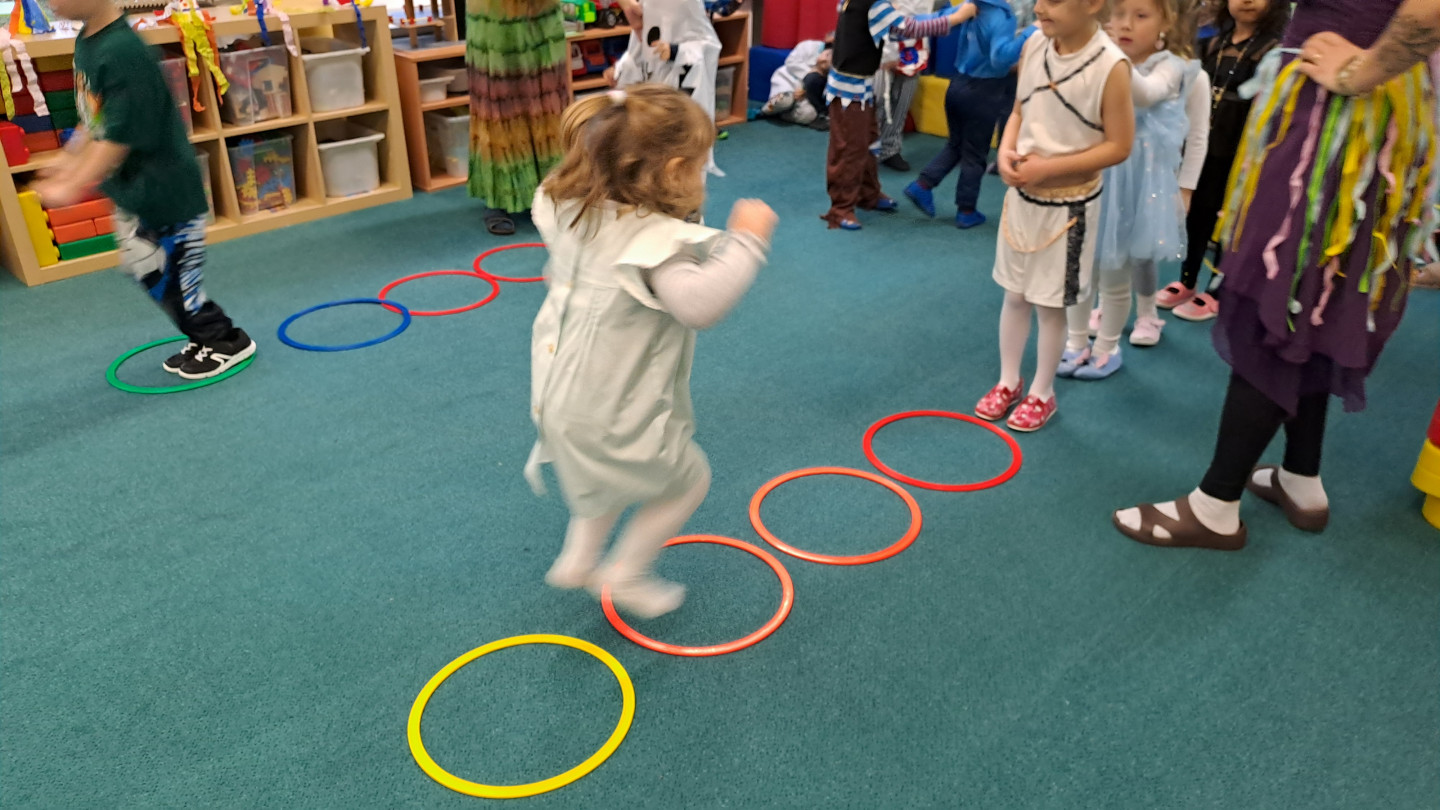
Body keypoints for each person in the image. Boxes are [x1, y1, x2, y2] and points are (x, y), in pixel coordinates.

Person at [1113, 0, 1440, 549]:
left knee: (1280, 297)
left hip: (1343, 118)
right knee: (1313, 301)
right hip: (1347, 110)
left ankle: (1215, 505)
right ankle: (1300, 476)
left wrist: (1361, 71)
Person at [526, 85, 777, 618]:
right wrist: (748, 241)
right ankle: (627, 572)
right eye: (701, 167)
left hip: (559, 395)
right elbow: (699, 304)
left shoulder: (569, 208)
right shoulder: (655, 245)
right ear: (675, 172)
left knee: (606, 475)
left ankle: (580, 557)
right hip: (614, 408)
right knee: (687, 481)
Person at [35, 0, 254, 380]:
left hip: (165, 192)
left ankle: (225, 340)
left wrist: (72, 184)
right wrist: (68, 158)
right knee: (150, 274)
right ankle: (202, 335)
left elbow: (118, 138)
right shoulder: (89, 42)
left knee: (174, 281)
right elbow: (95, 117)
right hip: (134, 189)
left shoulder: (123, 52)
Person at [974, 0, 1133, 432]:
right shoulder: (1034, 45)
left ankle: (1042, 392)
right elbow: (1020, 111)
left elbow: (1119, 145)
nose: (1040, 7)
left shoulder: (1111, 65)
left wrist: (1049, 168)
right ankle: (1008, 380)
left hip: (1070, 205)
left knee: (1049, 304)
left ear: (1093, 4)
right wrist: (1006, 151)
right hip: (1023, 200)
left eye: (1055, 0)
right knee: (1014, 295)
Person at [1059, 0, 1209, 380]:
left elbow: (1150, 97)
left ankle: (1109, 346)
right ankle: (1076, 343)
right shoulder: (1103, 60)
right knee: (1080, 268)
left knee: (1118, 271)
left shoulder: (1175, 69)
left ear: (1165, 23)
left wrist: (1186, 189)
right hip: (1094, 177)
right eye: (1118, 14)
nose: (1125, 24)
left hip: (1139, 188)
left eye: (1141, 16)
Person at [1156, 0, 1287, 321]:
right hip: (1205, 146)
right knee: (1197, 215)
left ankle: (1218, 289)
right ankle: (1187, 280)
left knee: (1232, 220)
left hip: (1244, 153)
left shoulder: (1275, 52)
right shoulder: (1212, 43)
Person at [821, 0, 977, 230]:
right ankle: (841, 208)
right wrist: (957, 17)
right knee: (850, 148)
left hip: (861, 85)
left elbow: (902, 25)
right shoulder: (872, 3)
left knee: (869, 142)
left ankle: (868, 194)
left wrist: (954, 13)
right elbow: (909, 28)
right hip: (849, 90)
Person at [903, 0, 1036, 228]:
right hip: (983, 91)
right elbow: (1000, 59)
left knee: (956, 145)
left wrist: (901, 22)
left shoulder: (972, 6)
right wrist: (1029, 33)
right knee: (975, 154)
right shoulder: (1001, 16)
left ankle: (922, 185)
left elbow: (938, 19)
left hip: (957, 84)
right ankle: (966, 210)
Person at [466, 0, 568, 236]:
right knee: (499, 99)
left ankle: (556, 191)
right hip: (494, 11)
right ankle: (498, 197)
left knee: (550, 98)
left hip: (542, 10)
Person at [609, 0, 725, 174]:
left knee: (682, 150)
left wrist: (677, 51)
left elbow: (709, 47)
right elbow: (637, 50)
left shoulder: (689, 8)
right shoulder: (647, 10)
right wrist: (619, 71)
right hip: (653, 92)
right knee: (649, 149)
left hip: (682, 94)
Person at [873, 0, 932, 171]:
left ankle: (890, 149)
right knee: (877, 98)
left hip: (914, 46)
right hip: (881, 43)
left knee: (902, 100)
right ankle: (866, 148)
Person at [759, 35, 834, 128]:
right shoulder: (808, 46)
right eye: (827, 55)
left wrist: (805, 91)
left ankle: (783, 115)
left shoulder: (835, 64)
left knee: (809, 114)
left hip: (803, 95)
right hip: (787, 83)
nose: (824, 59)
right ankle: (764, 111)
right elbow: (790, 62)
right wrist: (811, 73)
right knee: (783, 100)